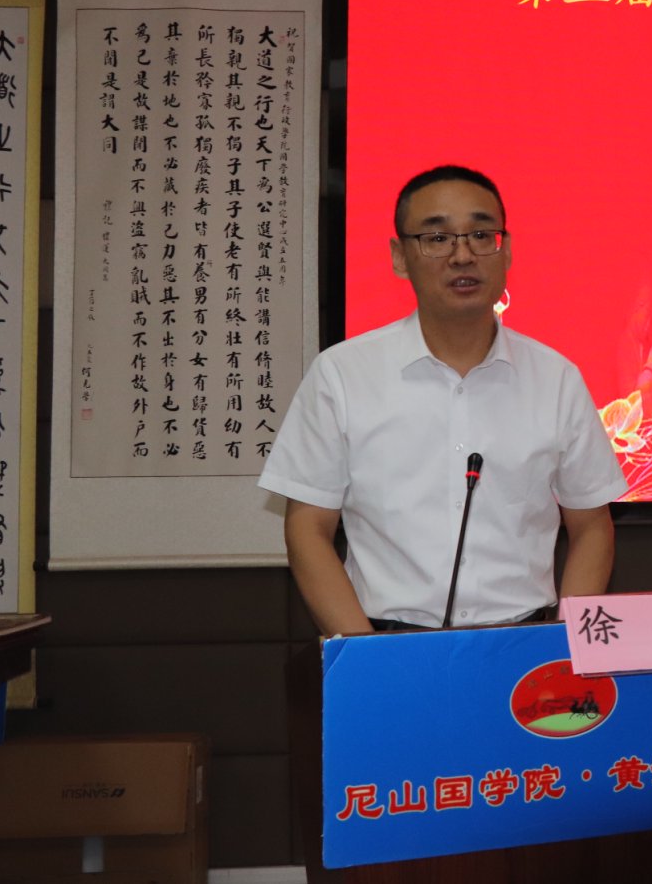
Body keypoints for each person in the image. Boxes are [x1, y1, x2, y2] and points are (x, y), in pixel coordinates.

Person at [258, 165, 625, 635]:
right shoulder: (342, 375)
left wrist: (564, 643)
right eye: (437, 238)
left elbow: (592, 526)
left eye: (481, 235)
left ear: (506, 250)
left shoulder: (556, 378)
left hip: (523, 644)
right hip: (386, 642)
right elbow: (308, 529)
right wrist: (366, 654)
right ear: (399, 257)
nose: (462, 255)